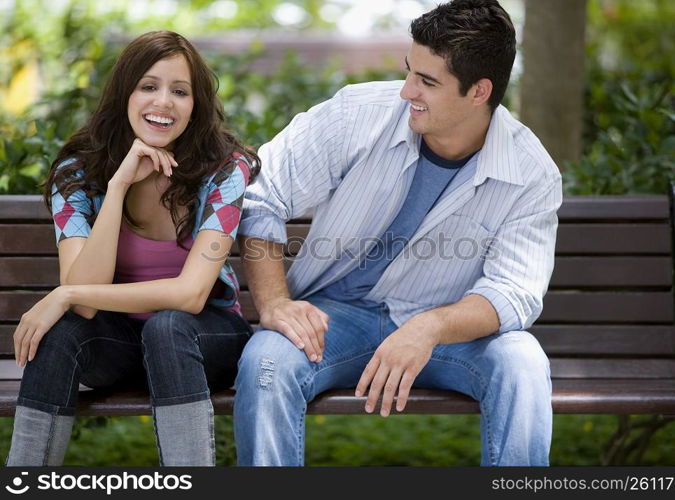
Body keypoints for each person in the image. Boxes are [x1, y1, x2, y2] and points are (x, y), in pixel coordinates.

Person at [233, 0, 562, 466]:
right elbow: (262, 193)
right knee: (267, 360)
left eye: (428, 82)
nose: (407, 91)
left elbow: (514, 293)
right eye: (410, 71)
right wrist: (274, 303)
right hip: (335, 318)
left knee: (523, 362)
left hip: (448, 331)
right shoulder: (356, 114)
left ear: (478, 92)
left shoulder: (532, 174)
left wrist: (429, 327)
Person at [6, 30, 259, 466]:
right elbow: (87, 304)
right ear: (125, 94)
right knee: (62, 333)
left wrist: (64, 293)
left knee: (167, 326)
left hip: (202, 341)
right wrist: (120, 185)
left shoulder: (223, 169)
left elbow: (190, 294)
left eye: (179, 91)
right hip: (118, 345)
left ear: (194, 105)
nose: (163, 102)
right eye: (148, 86)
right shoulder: (79, 172)